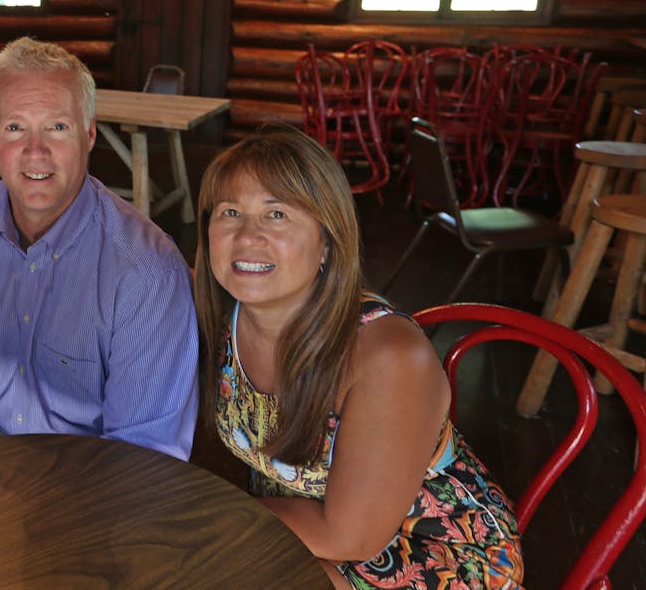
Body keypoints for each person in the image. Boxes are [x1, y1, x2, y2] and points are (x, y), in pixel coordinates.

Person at [193, 126, 522, 590]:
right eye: (231, 212)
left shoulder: (387, 356)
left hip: (435, 555)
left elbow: (350, 536)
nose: (248, 236)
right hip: (300, 530)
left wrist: (199, 513)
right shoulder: (229, 310)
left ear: (327, 243)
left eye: (277, 214)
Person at [0, 36, 199, 464]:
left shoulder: (146, 270)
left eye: (57, 127)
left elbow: (141, 455)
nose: (35, 152)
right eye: (15, 127)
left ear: (89, 135)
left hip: (88, 469)